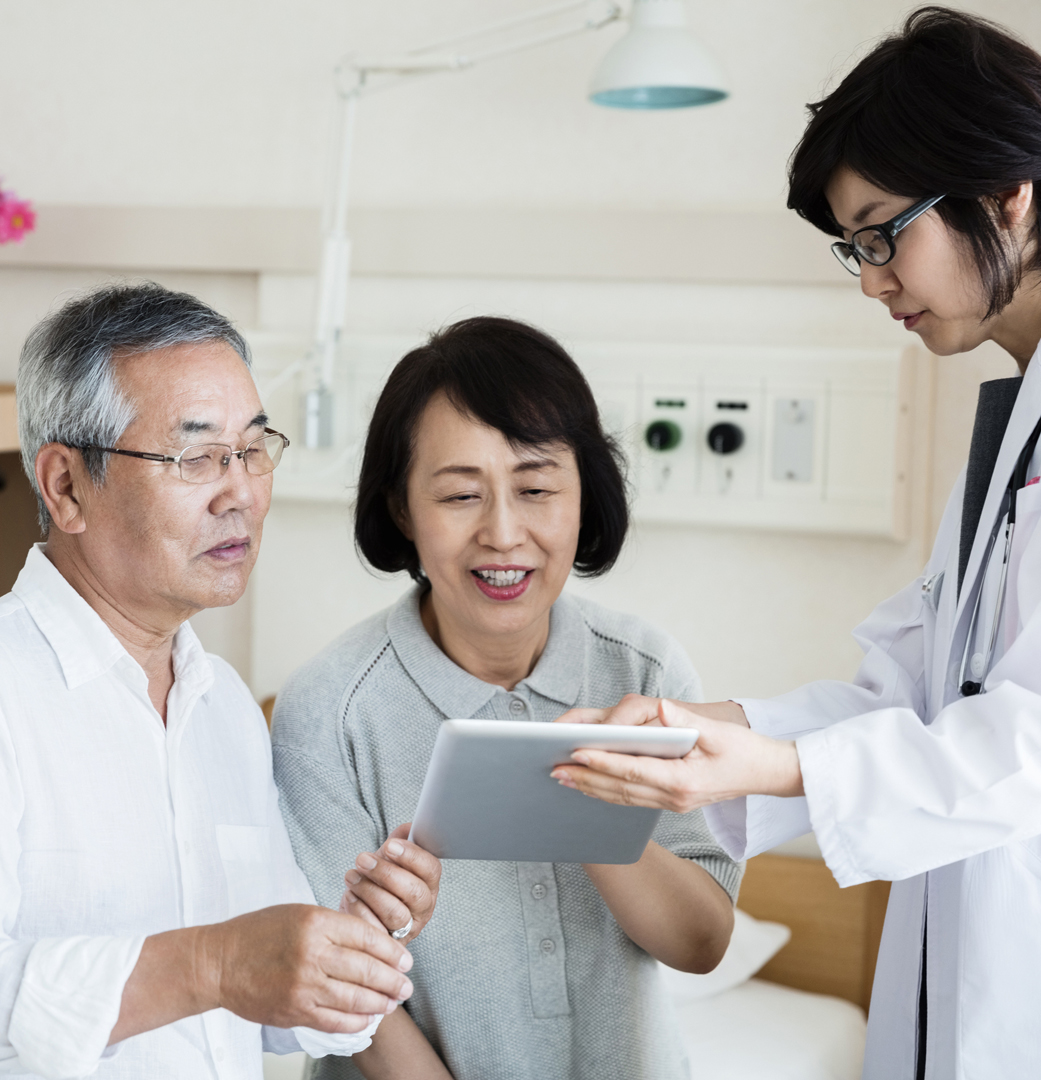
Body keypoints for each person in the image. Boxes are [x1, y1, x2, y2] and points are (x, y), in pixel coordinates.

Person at [552, 9, 1041, 1078]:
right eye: (852, 247)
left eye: (883, 234)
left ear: (1009, 195)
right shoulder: (1036, 399)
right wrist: (691, 735)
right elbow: (914, 688)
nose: (871, 281)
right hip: (976, 954)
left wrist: (774, 766)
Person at [0, 283, 442, 1080]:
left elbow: (272, 1015)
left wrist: (350, 941)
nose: (241, 493)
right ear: (65, 488)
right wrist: (212, 965)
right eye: (196, 457)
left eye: (253, 449)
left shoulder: (222, 702)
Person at [270, 316, 740, 1080]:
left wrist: (585, 815)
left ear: (584, 495)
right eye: (460, 495)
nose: (503, 532)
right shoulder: (330, 710)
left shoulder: (646, 674)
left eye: (536, 488)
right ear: (401, 511)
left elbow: (702, 942)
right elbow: (352, 1002)